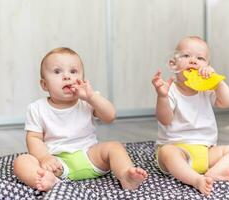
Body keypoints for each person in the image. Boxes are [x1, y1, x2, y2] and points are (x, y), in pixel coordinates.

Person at [13, 47, 148, 192]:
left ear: (82, 80)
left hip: (90, 156)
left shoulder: (87, 100)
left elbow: (110, 116)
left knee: (114, 146)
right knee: (22, 161)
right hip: (57, 163)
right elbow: (34, 138)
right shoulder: (37, 108)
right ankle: (48, 180)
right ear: (44, 84)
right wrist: (44, 157)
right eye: (57, 72)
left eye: (73, 71)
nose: (67, 76)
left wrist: (92, 97)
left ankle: (125, 176)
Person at [151, 36, 229, 196]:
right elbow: (164, 119)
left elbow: (227, 102)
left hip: (206, 151)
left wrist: (217, 82)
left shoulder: (207, 89)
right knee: (167, 152)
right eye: (186, 56)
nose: (193, 61)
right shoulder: (170, 90)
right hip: (178, 150)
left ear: (208, 66)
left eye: (200, 58)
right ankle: (196, 180)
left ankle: (213, 173)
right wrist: (162, 97)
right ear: (173, 63)